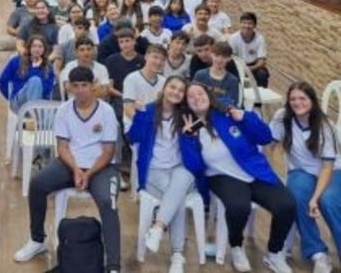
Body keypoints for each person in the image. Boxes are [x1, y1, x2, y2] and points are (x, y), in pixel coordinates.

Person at [180, 82, 296, 273]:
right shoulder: (188, 127)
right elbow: (195, 166)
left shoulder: (228, 113)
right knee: (238, 207)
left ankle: (274, 253)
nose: (197, 98)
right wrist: (188, 138)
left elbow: (265, 137)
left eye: (200, 93)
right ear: (187, 103)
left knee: (287, 205)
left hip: (254, 171)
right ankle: (236, 246)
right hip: (220, 175)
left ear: (209, 95)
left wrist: (245, 118)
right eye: (191, 96)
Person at [14, 66, 120, 272]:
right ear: (70, 87)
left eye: (85, 86)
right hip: (69, 163)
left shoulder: (106, 112)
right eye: (76, 86)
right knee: (37, 184)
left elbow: (108, 151)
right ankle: (37, 240)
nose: (80, 90)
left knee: (109, 202)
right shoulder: (64, 110)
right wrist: (76, 170)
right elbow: (62, 147)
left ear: (93, 86)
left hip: (101, 167)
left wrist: (88, 173)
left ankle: (113, 265)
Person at [270, 82, 340, 273]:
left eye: (302, 98)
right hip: (300, 171)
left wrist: (315, 198)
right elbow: (269, 145)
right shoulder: (282, 117)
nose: (297, 103)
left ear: (312, 101)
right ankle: (318, 253)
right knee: (297, 195)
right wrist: (268, 174)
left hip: (332, 171)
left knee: (329, 201)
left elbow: (327, 166)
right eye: (293, 99)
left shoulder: (325, 125)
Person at [126, 76, 192, 273]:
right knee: (178, 198)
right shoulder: (148, 111)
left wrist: (189, 136)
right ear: (164, 88)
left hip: (179, 169)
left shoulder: (186, 116)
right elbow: (132, 137)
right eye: (173, 87)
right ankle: (178, 255)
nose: (176, 92)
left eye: (181, 90)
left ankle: (157, 228)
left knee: (184, 177)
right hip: (154, 171)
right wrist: (137, 115)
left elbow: (195, 157)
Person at [0, 35, 56, 111]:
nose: (37, 49)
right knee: (35, 80)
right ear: (29, 48)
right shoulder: (16, 61)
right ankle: (35, 117)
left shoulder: (48, 66)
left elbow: (49, 88)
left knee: (35, 82)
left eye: (40, 47)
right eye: (34, 46)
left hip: (40, 102)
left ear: (44, 49)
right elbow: (2, 82)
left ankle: (34, 115)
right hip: (19, 102)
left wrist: (34, 91)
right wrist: (10, 97)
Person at [123, 44, 167, 123]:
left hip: (157, 125)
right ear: (146, 56)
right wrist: (145, 124)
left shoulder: (164, 81)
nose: (158, 62)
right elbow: (128, 109)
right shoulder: (132, 79)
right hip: (137, 125)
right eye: (155, 57)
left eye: (163, 59)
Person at [229, 12, 270, 89]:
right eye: (244, 23)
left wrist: (249, 69)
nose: (247, 26)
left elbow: (261, 61)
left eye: (250, 23)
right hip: (238, 64)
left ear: (254, 25)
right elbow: (232, 58)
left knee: (262, 75)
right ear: (240, 24)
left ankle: (259, 99)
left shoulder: (260, 39)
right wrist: (241, 69)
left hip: (254, 66)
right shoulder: (233, 38)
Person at [192, 41, 240, 108]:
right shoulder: (200, 75)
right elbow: (193, 96)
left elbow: (231, 103)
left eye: (224, 57)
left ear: (229, 58)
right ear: (211, 54)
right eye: (216, 55)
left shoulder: (233, 80)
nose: (219, 60)